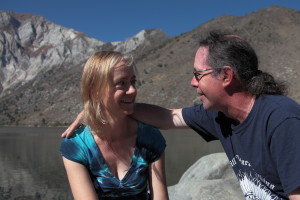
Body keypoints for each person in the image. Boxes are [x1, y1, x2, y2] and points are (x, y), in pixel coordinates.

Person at [61, 31, 300, 200]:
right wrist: (97, 106)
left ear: (226, 76)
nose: (192, 82)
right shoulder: (220, 116)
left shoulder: (281, 120)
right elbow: (168, 116)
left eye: (198, 74)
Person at [60, 51, 169, 200]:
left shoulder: (150, 138)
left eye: (133, 82)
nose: (133, 90)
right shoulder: (77, 146)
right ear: (95, 91)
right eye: (121, 83)